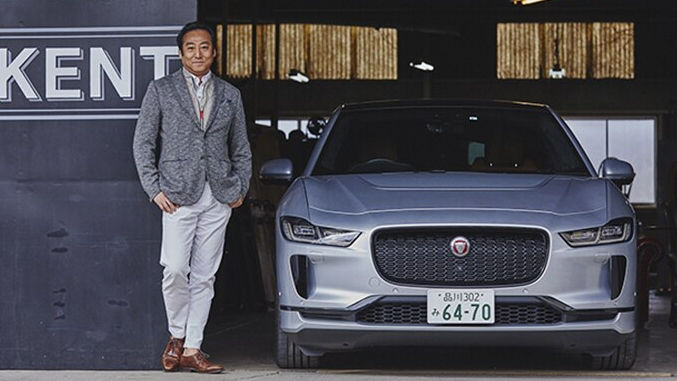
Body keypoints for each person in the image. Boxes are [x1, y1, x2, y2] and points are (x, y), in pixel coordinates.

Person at [132, 21, 252, 374]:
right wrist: (154, 189)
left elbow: (241, 147)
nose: (198, 53)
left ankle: (193, 348)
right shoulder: (161, 90)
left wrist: (240, 186)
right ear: (181, 52)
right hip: (178, 194)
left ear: (214, 52)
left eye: (204, 47)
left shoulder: (231, 94)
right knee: (174, 270)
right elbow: (143, 142)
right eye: (191, 47)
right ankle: (176, 335)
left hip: (218, 195)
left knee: (204, 276)